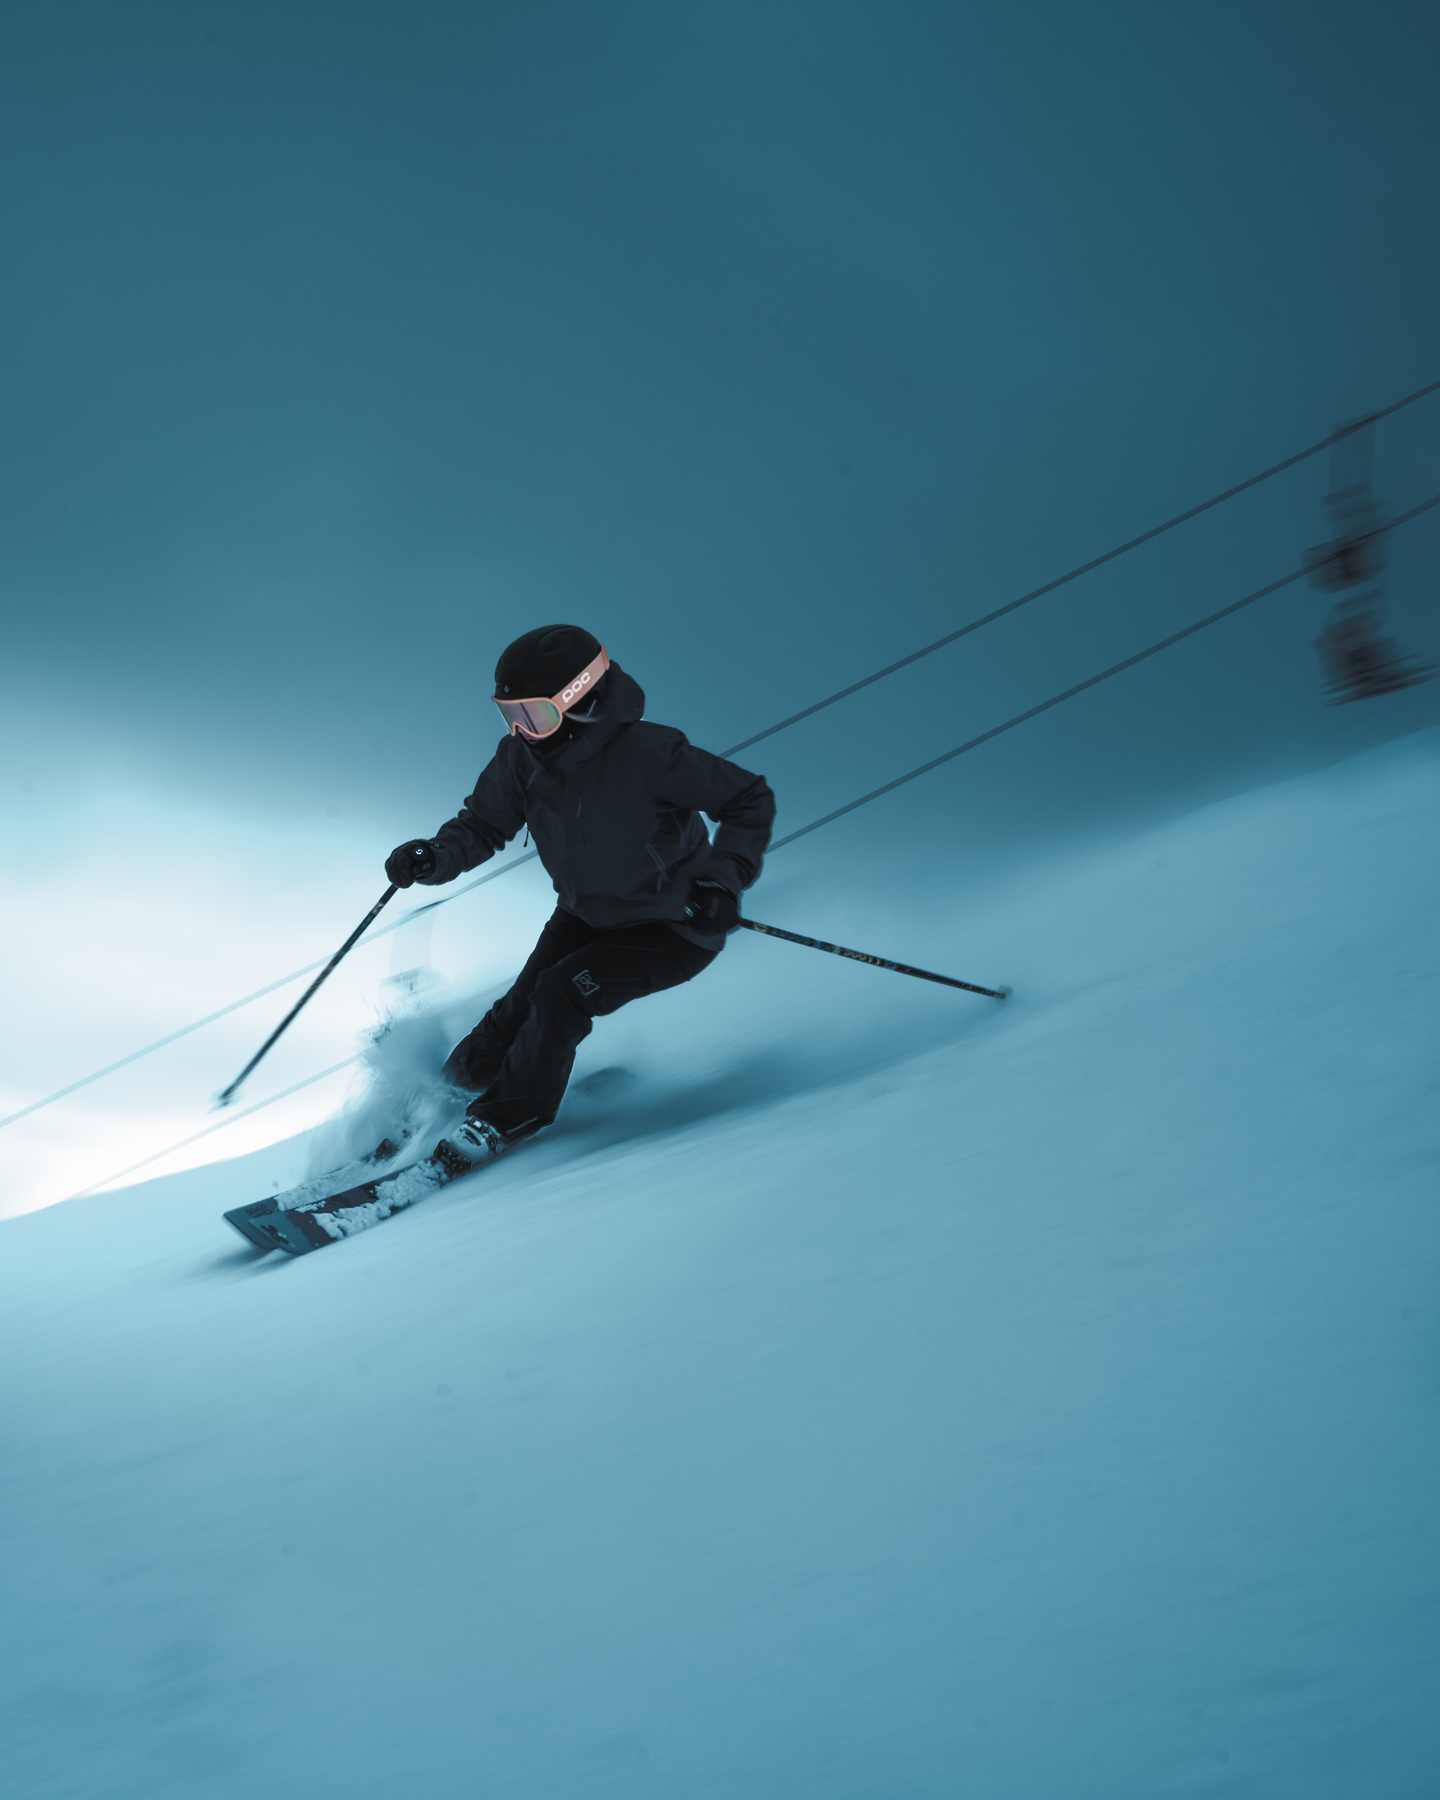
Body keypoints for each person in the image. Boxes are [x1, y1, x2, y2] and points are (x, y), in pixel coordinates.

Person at [384, 625, 776, 1167]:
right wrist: (433, 856)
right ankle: (440, 1099)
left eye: (536, 715)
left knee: (559, 994)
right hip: (586, 914)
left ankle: (505, 1119)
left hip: (673, 924)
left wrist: (722, 879)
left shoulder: (651, 753)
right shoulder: (520, 759)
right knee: (515, 1010)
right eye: (511, 716)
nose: (523, 731)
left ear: (581, 700)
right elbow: (482, 824)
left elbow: (748, 798)